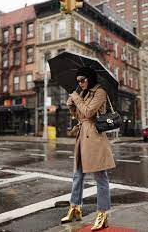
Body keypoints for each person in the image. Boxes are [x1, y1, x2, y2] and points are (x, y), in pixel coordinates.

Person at [61, 67, 116, 231]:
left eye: (82, 80)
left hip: (94, 139)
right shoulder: (83, 94)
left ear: (90, 78)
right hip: (81, 137)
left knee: (100, 177)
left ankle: (103, 214)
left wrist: (76, 98)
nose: (80, 83)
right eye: (78, 81)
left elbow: (89, 112)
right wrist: (71, 106)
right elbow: (79, 116)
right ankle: (75, 208)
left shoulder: (100, 92)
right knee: (77, 175)